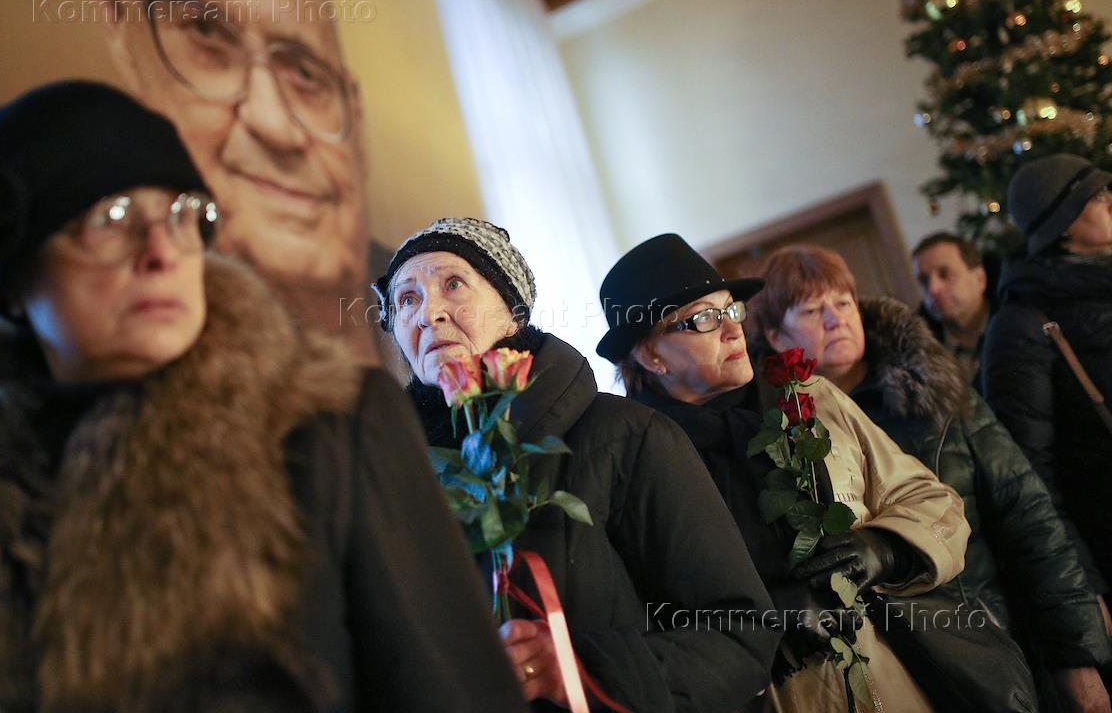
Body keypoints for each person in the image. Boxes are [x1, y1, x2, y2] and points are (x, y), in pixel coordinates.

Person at [0, 82, 525, 712]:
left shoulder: (332, 426)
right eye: (112, 218)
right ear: (15, 275)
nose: (162, 252)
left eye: (183, 215)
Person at [373, 217, 781, 712]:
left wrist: (580, 671)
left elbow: (741, 633)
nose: (428, 313)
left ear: (513, 313)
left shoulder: (627, 436)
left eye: (453, 284)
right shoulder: (389, 483)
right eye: (406, 299)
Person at [600, 233, 970, 713]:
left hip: (891, 681)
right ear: (651, 355)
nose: (732, 330)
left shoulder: (808, 397)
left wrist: (882, 549)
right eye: (703, 319)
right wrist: (760, 621)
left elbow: (932, 501)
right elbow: (639, 624)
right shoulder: (634, 461)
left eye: (731, 310)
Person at [752, 243, 1111, 713]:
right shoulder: (771, 439)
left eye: (843, 302)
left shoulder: (936, 395)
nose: (836, 319)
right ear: (776, 336)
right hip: (880, 677)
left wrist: (1076, 655)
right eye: (813, 310)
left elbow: (1027, 514)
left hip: (992, 644)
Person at [80, 0, 382, 363]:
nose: (276, 126)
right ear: (114, 11)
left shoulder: (442, 300)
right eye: (205, 31)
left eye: (306, 73)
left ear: (355, 114)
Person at [985, 153, 1112, 638]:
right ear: (1062, 223)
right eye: (1096, 196)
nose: (1111, 201)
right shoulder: (1023, 324)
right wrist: (1083, 587)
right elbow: (1028, 473)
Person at [911, 231, 997, 388]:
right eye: (924, 280)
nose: (933, 289)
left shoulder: (1022, 324)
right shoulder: (920, 358)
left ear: (980, 279)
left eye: (945, 274)